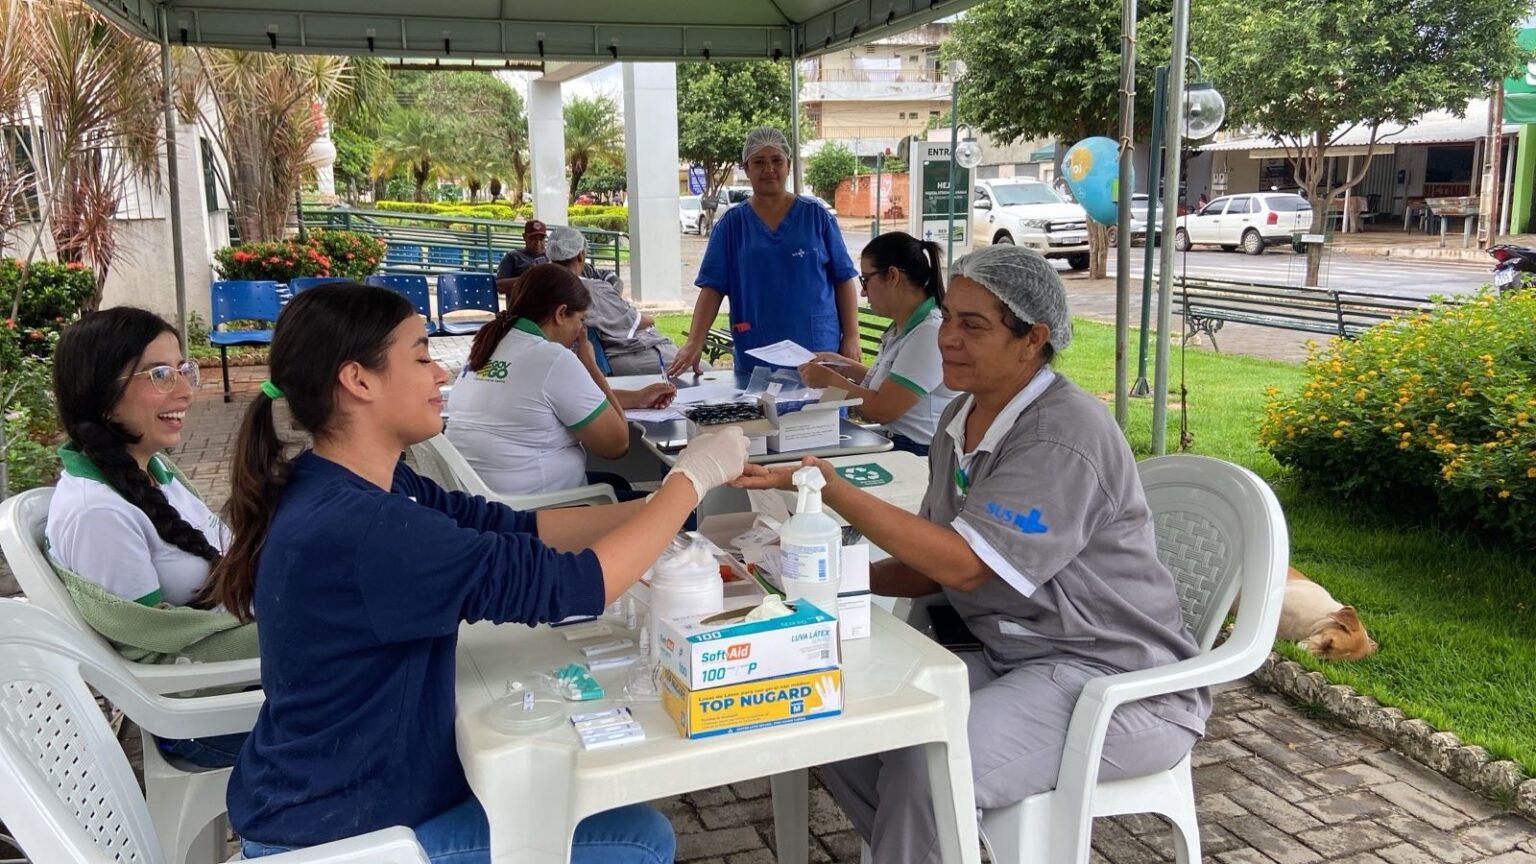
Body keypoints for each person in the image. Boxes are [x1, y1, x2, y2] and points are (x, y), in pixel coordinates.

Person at [211, 282, 750, 862]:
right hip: (347, 835)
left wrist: (659, 508)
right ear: (357, 380)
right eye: (420, 357)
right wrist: (688, 481)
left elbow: (509, 528)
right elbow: (574, 587)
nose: (441, 376)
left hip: (335, 794)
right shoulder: (367, 528)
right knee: (638, 840)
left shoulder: (356, 482)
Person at [733, 245, 1210, 864]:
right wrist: (816, 581)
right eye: (949, 318)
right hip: (1018, 656)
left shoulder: (1061, 434)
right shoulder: (964, 417)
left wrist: (830, 487)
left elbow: (963, 563)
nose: (948, 339)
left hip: (1115, 680)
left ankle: (929, 842)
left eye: (973, 325)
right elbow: (935, 563)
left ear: (1032, 339)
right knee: (839, 721)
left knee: (929, 770)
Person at [47, 306, 255, 769]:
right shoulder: (98, 511)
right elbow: (151, 653)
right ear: (102, 392)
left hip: (236, 681)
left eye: (183, 369)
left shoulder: (153, 472)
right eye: (160, 374)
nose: (184, 390)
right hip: (202, 717)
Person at [445, 264, 676, 498]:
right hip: (533, 508)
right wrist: (591, 365)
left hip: (478, 498)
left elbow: (557, 400)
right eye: (580, 319)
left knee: (615, 482)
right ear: (560, 313)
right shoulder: (551, 358)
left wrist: (637, 397)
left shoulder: (490, 346)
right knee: (670, 510)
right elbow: (617, 444)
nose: (580, 330)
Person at [666, 127, 861, 383]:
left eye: (776, 161)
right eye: (759, 162)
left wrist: (851, 336)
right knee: (761, 418)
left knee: (821, 419)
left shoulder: (816, 216)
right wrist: (694, 342)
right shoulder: (731, 225)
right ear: (746, 169)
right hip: (757, 349)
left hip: (816, 347)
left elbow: (843, 279)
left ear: (789, 165)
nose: (769, 169)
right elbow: (712, 289)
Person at [796, 231, 956, 457]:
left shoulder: (928, 334)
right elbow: (889, 384)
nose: (863, 291)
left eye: (865, 280)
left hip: (916, 454)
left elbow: (884, 409)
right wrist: (843, 365)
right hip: (892, 441)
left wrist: (832, 381)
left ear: (892, 276)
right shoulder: (904, 327)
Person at [545, 226, 707, 377]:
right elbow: (638, 322)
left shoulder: (543, 286)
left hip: (590, 358)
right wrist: (651, 319)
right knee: (706, 371)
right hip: (623, 354)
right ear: (580, 255)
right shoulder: (590, 288)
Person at [494, 219, 548, 293]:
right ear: (524, 237)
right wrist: (528, 277)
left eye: (541, 239)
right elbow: (499, 286)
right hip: (522, 302)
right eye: (533, 239)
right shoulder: (513, 256)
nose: (537, 243)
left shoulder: (551, 256)